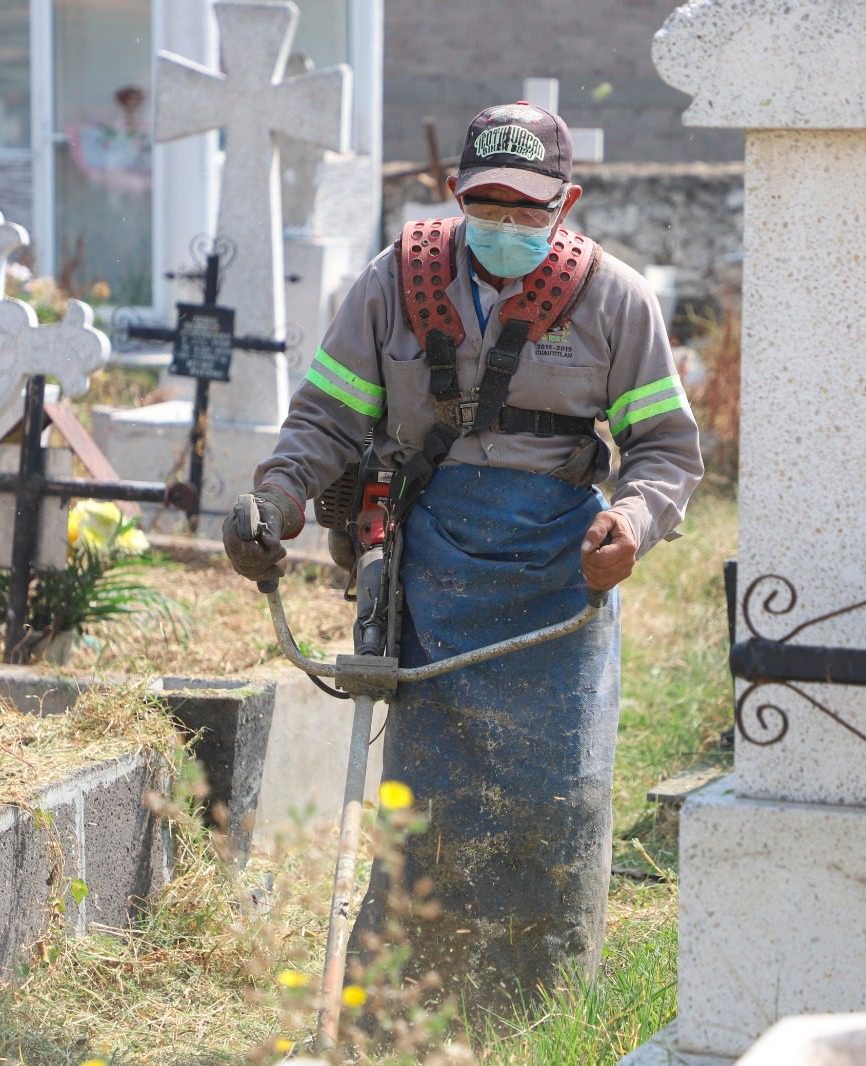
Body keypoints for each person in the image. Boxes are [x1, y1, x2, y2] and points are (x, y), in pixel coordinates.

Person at [223, 102, 704, 1014]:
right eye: (490, 207)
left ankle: (541, 1007)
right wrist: (276, 501)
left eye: (530, 211)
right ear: (455, 196)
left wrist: (633, 525)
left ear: (568, 203)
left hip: (560, 580)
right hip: (430, 573)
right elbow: (327, 419)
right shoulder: (393, 285)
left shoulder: (615, 301)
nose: (510, 226)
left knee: (553, 796)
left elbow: (667, 451)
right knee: (426, 804)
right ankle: (402, 1006)